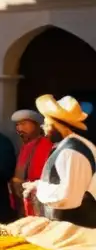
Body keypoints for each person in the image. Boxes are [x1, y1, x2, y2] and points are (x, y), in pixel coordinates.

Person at [24, 95, 96, 227]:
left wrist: (40, 188)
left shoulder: (72, 152)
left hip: (76, 228)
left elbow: (68, 197)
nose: (43, 127)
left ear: (57, 125)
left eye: (46, 123)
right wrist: (38, 184)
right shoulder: (68, 147)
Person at [10, 109, 54, 217]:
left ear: (37, 125)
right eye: (17, 125)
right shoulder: (24, 147)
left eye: (24, 124)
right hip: (23, 199)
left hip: (39, 200)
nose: (19, 129)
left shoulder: (47, 145)